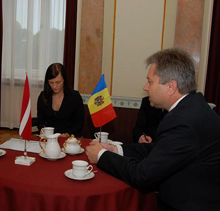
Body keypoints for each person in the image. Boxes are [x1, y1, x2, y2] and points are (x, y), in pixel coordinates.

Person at [85, 48, 220, 210]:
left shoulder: (183, 121)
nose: (145, 87)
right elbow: (158, 149)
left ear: (171, 87)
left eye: (150, 81)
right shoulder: (192, 107)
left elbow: (142, 175)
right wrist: (115, 149)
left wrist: (101, 155)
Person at [37, 63, 84, 137]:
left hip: (69, 140)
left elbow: (79, 123)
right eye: (51, 83)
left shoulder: (75, 97)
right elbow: (40, 121)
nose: (54, 86)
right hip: (48, 139)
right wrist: (42, 130)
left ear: (64, 80)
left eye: (58, 82)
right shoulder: (43, 96)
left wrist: (67, 134)